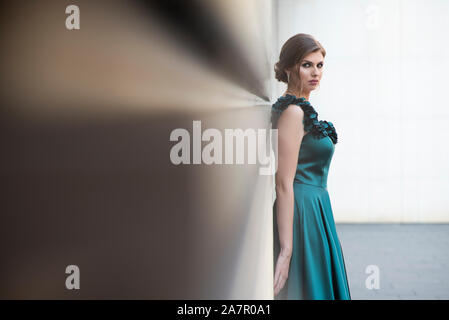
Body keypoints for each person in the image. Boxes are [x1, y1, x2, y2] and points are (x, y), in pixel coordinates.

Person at [272, 33, 351, 300]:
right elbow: (283, 182)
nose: (315, 72)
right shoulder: (293, 112)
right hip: (302, 211)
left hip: (316, 209)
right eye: (307, 65)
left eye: (319, 65)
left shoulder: (301, 108)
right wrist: (286, 251)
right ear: (289, 68)